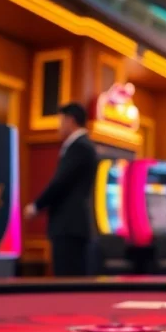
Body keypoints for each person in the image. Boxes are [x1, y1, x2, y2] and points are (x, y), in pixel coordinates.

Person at [24, 103, 98, 276]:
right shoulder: (83, 145)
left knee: (68, 279)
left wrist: (36, 206)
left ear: (70, 121)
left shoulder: (80, 146)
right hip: (71, 226)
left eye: (61, 121)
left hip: (70, 226)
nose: (59, 126)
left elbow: (60, 182)